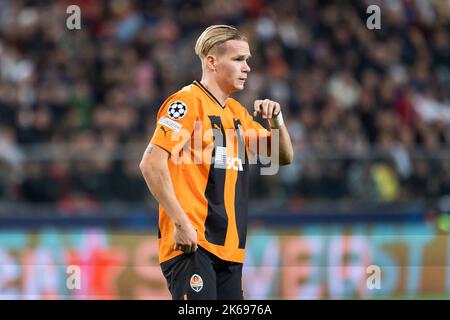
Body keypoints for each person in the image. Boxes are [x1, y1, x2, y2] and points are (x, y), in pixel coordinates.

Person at [139, 25, 293, 300]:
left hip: (230, 250)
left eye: (247, 60)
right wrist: (181, 223)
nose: (246, 67)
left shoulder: (237, 114)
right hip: (194, 245)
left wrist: (276, 120)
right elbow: (151, 163)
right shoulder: (187, 103)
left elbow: (281, 156)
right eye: (238, 59)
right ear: (212, 61)